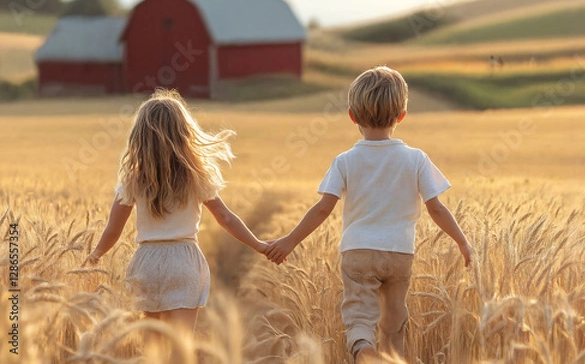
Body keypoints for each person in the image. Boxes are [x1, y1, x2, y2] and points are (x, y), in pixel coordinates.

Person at [265, 66, 472, 363]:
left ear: (352, 116)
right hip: (400, 252)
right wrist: (462, 241)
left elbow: (324, 207)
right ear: (402, 115)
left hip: (358, 251)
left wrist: (290, 240)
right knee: (394, 319)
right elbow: (436, 207)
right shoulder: (416, 158)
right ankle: (392, 358)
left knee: (359, 315)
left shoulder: (345, 161)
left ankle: (364, 351)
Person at [85, 89, 268, 335]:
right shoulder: (197, 177)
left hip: (146, 263)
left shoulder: (132, 180)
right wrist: (258, 244)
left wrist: (95, 255)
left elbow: (113, 229)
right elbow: (225, 217)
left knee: (153, 349)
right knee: (181, 348)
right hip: (184, 260)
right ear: (184, 133)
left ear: (140, 137)